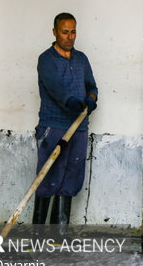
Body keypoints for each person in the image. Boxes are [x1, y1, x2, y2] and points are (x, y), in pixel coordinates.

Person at [32, 12, 98, 240]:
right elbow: (56, 88)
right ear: (54, 32)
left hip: (78, 128)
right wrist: (70, 102)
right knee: (48, 178)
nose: (70, 37)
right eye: (64, 32)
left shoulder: (81, 59)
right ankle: (38, 237)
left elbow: (92, 86)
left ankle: (59, 235)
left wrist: (91, 98)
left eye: (73, 32)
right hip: (54, 126)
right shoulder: (46, 59)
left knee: (71, 178)